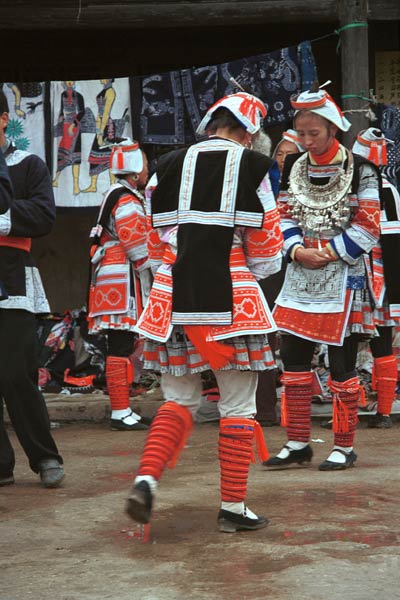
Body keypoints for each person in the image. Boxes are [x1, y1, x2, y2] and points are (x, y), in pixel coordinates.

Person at [125, 92, 283, 533]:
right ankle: (233, 507)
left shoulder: (166, 165)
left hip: (173, 297)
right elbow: (268, 251)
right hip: (234, 299)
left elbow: (154, 245)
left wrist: (175, 270)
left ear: (212, 123)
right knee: (237, 405)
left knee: (179, 400)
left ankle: (147, 480)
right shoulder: (254, 168)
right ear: (249, 132)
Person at [264, 84, 381, 471]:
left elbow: (368, 225)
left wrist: (327, 253)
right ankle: (298, 441)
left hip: (342, 274)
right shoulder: (293, 167)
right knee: (294, 359)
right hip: (301, 271)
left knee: (341, 361)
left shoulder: (361, 169)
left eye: (314, 133)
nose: (307, 140)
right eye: (302, 133)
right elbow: (283, 216)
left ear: (333, 128)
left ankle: (344, 445)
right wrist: (297, 250)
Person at [0, 90, 65, 488]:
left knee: (14, 373)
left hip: (12, 276)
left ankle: (44, 457)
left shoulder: (28, 165)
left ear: (4, 119)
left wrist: (2, 218)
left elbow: (43, 214)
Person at [88, 138, 152, 431]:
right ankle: (120, 411)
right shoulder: (126, 199)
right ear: (136, 170)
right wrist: (156, 268)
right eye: (146, 165)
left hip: (112, 274)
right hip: (121, 278)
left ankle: (122, 408)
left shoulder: (115, 193)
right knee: (120, 344)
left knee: (121, 344)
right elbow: (136, 244)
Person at [255, 129, 304, 427]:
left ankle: (295, 414)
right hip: (270, 272)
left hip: (301, 269)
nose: (283, 158)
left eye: (290, 153)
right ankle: (264, 410)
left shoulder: (309, 187)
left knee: (296, 342)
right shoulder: (265, 184)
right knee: (264, 338)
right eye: (280, 153)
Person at [352, 128, 400, 428]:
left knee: (378, 342)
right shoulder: (386, 189)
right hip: (355, 273)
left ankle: (382, 410)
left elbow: (392, 239)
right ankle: (350, 409)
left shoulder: (386, 191)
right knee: (341, 344)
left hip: (372, 277)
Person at [82, 79, 116, 193]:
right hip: (100, 124)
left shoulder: (110, 91)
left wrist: (101, 132)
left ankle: (112, 185)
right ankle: (93, 185)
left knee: (110, 156)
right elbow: (100, 113)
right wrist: (98, 128)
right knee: (95, 155)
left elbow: (106, 113)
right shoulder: (104, 90)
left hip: (107, 126)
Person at [52, 81, 85, 195]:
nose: (69, 83)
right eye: (67, 81)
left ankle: (76, 185)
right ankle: (56, 179)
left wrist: (74, 124)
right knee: (61, 155)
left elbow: (82, 112)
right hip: (65, 127)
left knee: (75, 157)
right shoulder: (62, 95)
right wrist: (60, 122)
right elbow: (61, 111)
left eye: (71, 81)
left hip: (75, 129)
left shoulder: (79, 96)